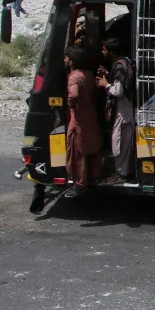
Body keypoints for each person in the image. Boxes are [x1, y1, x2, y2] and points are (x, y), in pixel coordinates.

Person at [62, 46, 102, 199]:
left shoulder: (74, 77)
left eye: (66, 58)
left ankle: (80, 183)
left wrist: (72, 103)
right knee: (93, 145)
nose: (65, 60)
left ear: (72, 61)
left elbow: (74, 94)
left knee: (78, 151)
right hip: (90, 115)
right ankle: (95, 175)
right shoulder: (88, 74)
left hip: (78, 118)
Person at [97, 37, 135, 182]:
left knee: (119, 144)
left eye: (104, 49)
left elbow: (118, 91)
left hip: (124, 112)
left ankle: (121, 173)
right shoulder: (123, 62)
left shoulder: (120, 66)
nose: (102, 51)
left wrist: (105, 84)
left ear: (111, 51)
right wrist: (107, 74)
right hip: (124, 110)